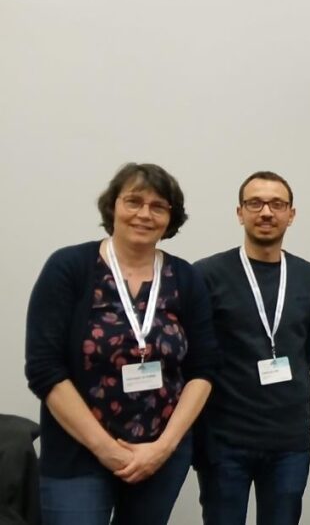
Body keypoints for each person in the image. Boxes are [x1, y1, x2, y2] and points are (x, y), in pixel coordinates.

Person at [24, 163, 219, 524]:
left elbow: (204, 370)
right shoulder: (69, 267)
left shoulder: (186, 277)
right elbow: (44, 370)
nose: (144, 214)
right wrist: (106, 449)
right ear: (112, 205)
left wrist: (163, 448)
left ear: (170, 218)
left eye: (158, 206)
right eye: (133, 201)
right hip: (78, 453)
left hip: (159, 455)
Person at [193, 172, 310, 524]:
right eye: (255, 203)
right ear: (240, 213)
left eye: (277, 204)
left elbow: (305, 353)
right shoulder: (206, 275)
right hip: (225, 441)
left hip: (289, 441)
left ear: (291, 214)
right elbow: (196, 358)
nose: (266, 212)